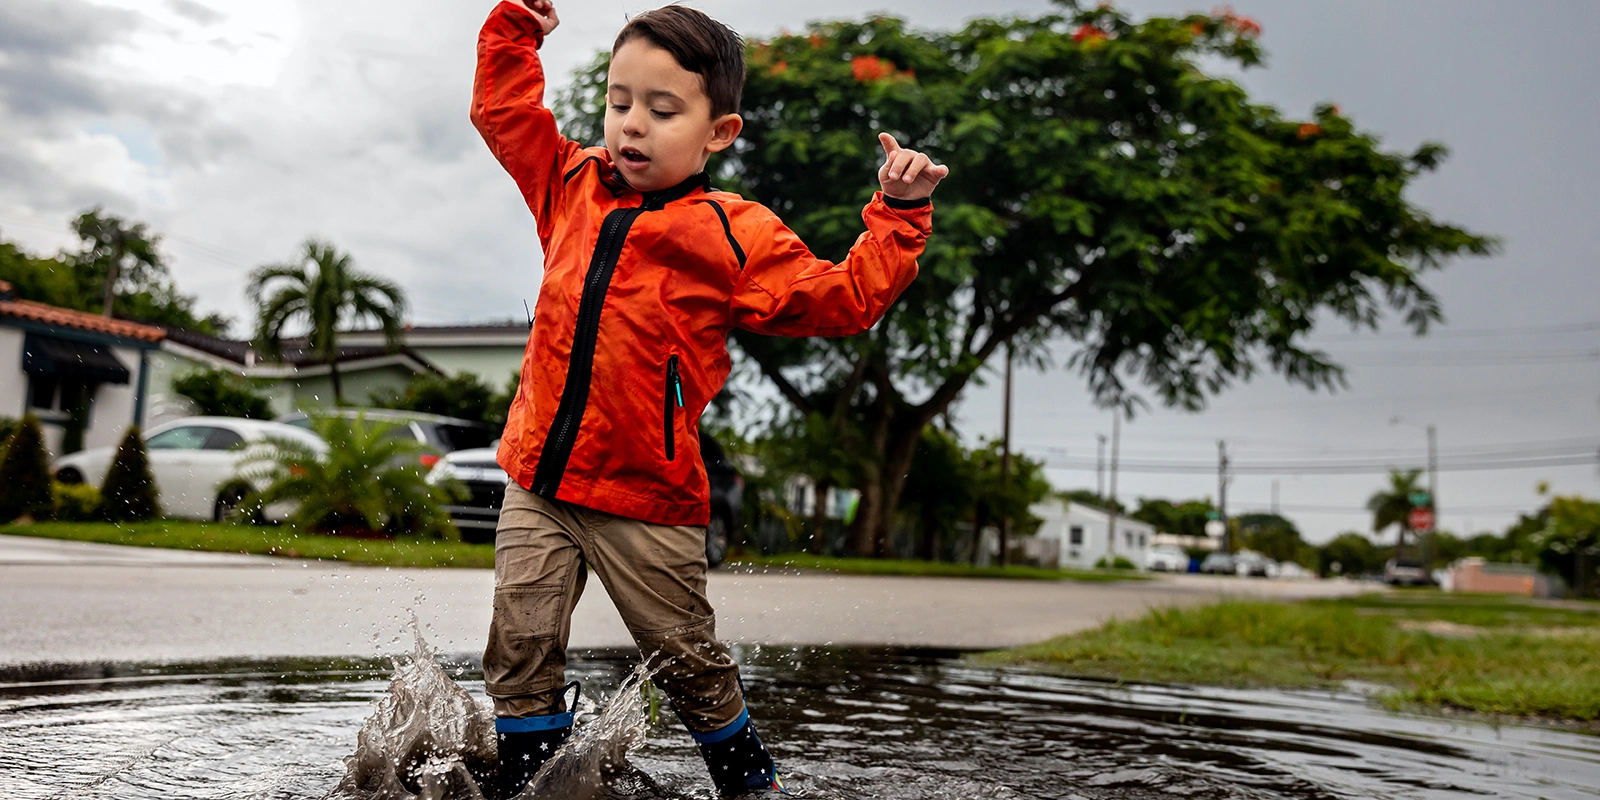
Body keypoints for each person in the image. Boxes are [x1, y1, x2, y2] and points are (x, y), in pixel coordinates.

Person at [470, 1, 947, 796]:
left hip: (646, 498)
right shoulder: (568, 183)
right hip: (538, 481)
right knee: (518, 647)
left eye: (662, 110)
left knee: (686, 662)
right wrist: (516, 27)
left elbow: (844, 298)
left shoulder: (735, 232)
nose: (632, 125)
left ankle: (746, 778)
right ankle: (529, 781)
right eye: (620, 102)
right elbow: (504, 111)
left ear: (718, 132)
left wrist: (898, 215)